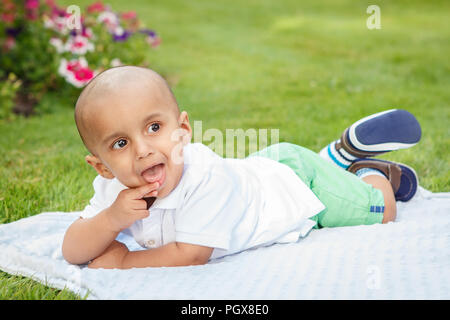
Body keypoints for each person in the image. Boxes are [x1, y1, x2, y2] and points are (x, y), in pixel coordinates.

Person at [62, 66, 421, 269]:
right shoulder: (113, 192)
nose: (142, 150)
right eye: (120, 144)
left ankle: (369, 171)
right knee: (313, 170)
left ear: (182, 130)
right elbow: (73, 251)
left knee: (383, 210)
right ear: (102, 167)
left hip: (300, 185)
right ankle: (338, 157)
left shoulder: (204, 179)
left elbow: (190, 254)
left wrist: (123, 261)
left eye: (154, 128)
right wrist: (110, 220)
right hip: (262, 171)